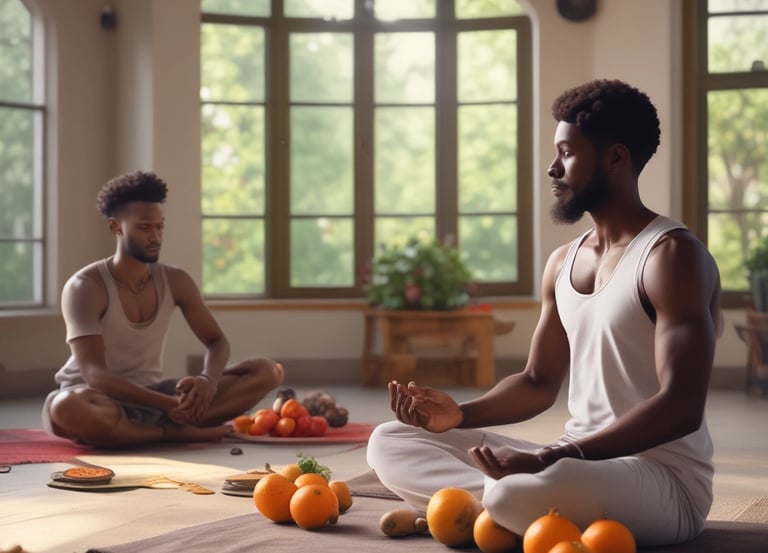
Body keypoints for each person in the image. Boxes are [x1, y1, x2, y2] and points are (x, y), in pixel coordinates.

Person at [366, 80, 722, 547]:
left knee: (524, 488)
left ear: (616, 158)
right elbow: (537, 382)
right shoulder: (562, 262)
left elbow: (682, 406)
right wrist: (459, 415)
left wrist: (558, 456)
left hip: (661, 478)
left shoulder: (671, 256)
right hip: (571, 463)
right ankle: (504, 507)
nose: (552, 168)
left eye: (567, 153)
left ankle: (491, 507)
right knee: (390, 440)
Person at [42, 171, 284, 447]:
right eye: (145, 227)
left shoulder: (176, 280)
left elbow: (217, 342)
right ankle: (172, 433)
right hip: (97, 397)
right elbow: (96, 376)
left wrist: (208, 382)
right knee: (65, 408)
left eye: (160, 227)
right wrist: (169, 405)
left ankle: (149, 430)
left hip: (154, 394)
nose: (155, 236)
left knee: (265, 370)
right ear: (116, 227)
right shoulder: (85, 287)